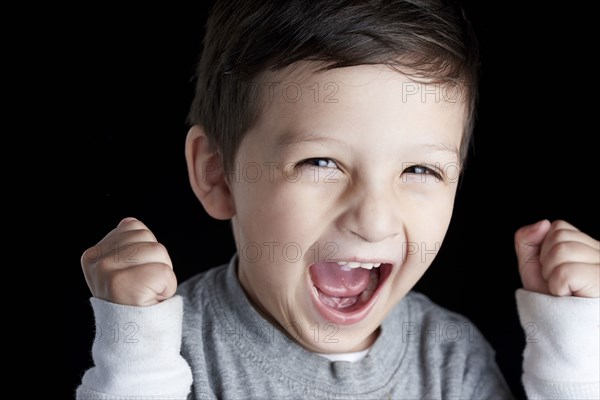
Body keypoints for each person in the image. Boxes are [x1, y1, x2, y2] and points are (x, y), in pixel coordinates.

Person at [76, 0, 600, 398]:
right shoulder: (168, 354)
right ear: (218, 174)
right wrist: (136, 356)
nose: (373, 220)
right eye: (321, 163)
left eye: (419, 169)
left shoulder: (448, 356)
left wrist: (572, 357)